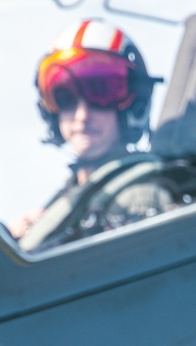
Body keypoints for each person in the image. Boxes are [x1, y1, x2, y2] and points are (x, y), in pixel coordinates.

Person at [11, 20, 174, 252]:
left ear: (133, 106)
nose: (82, 116)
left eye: (100, 95)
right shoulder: (75, 195)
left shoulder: (137, 198)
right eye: (65, 98)